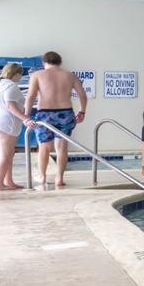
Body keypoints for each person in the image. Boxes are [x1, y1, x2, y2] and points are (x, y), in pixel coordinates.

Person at [24, 50, 88, 189]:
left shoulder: (37, 75)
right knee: (62, 148)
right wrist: (82, 111)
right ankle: (59, 177)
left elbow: (30, 96)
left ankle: (42, 176)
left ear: (44, 62)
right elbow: (82, 95)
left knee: (44, 147)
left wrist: (26, 115)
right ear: (60, 62)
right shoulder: (70, 75)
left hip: (44, 115)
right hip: (66, 114)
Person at [0, 63, 31, 191]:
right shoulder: (10, 86)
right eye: (20, 74)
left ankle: (8, 181)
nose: (21, 77)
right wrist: (25, 118)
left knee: (9, 154)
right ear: (16, 74)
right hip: (5, 125)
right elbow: (10, 105)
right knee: (5, 156)